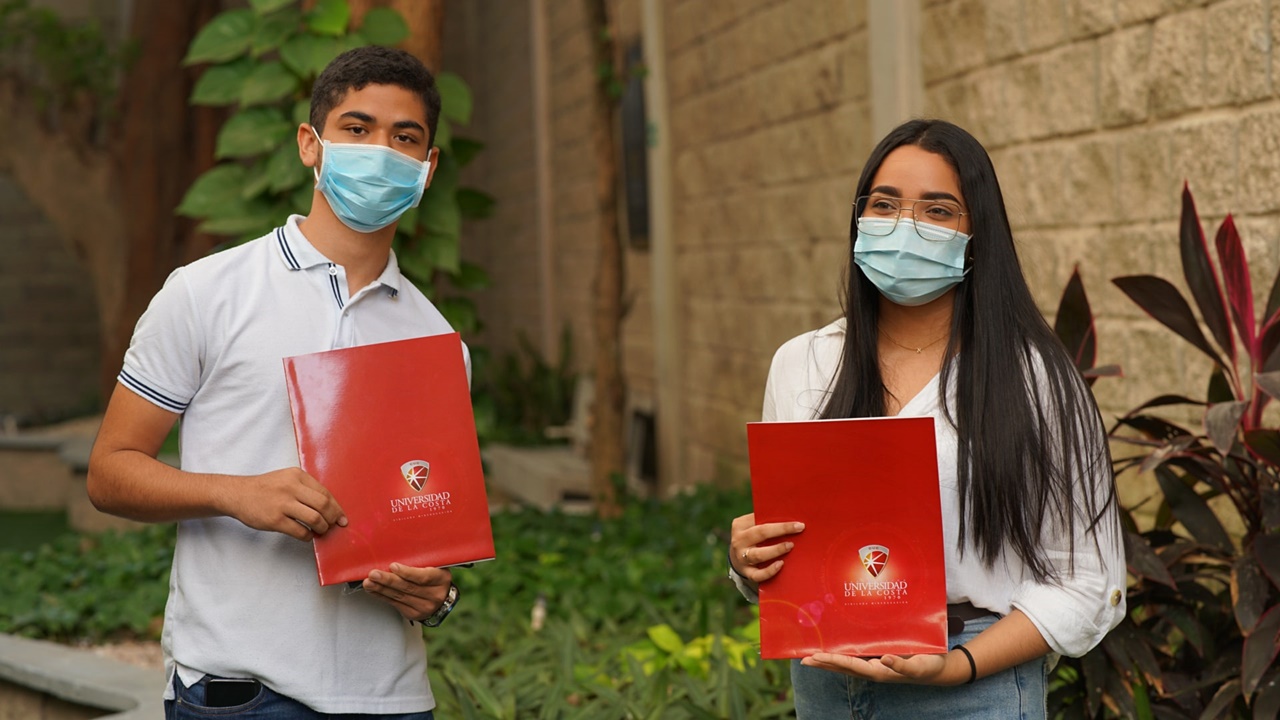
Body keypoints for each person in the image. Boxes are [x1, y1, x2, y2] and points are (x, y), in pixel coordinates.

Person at [88, 46, 461, 718]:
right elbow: (109, 472)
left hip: (394, 697)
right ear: (310, 144)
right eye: (357, 128)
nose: (380, 151)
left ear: (427, 168)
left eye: (404, 138)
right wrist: (236, 494)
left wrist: (437, 595)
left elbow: (425, 519)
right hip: (241, 693)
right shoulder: (207, 292)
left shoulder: (439, 345)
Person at [727, 119, 1126, 719]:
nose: (904, 227)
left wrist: (957, 666)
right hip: (825, 684)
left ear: (977, 236)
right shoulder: (801, 364)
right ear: (859, 218)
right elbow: (791, 546)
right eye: (884, 205)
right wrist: (748, 560)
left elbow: (1089, 579)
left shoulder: (1036, 379)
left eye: (937, 211)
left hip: (974, 686)